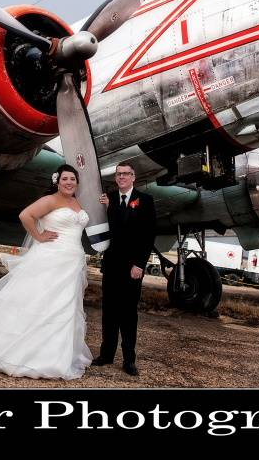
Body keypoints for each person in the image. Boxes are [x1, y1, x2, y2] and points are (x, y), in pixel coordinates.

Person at [0, 164, 93, 380]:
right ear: (57, 181)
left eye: (72, 179)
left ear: (77, 182)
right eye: (65, 179)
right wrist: (39, 236)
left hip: (72, 261)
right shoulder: (51, 200)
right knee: (40, 301)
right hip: (51, 258)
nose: (69, 182)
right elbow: (26, 215)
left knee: (64, 306)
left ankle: (56, 356)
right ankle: (21, 353)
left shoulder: (76, 202)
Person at [92, 161, 156, 376]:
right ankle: (106, 354)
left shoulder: (145, 200)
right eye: (119, 174)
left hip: (132, 267)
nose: (121, 177)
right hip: (111, 265)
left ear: (133, 177)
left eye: (126, 174)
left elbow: (148, 235)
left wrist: (140, 264)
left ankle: (129, 359)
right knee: (109, 312)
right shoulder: (107, 199)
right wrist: (103, 208)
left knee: (128, 314)